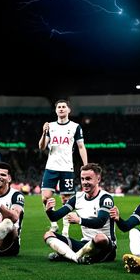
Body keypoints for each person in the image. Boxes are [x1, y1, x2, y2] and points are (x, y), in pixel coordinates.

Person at [43, 163, 117, 264]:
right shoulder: (77, 198)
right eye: (82, 179)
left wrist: (79, 220)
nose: (85, 182)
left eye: (88, 179)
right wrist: (49, 210)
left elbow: (100, 222)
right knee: (48, 235)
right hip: (84, 244)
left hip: (105, 246)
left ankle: (67, 255)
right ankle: (75, 257)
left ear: (98, 179)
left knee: (100, 237)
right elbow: (55, 217)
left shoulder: (105, 198)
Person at [39, 99, 87, 237]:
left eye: (63, 107)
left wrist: (85, 166)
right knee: (45, 197)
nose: (61, 109)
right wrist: (43, 133)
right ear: (56, 110)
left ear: (68, 110)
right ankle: (54, 223)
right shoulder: (50, 126)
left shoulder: (75, 127)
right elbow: (42, 147)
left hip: (67, 168)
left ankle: (66, 229)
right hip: (51, 167)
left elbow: (81, 146)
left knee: (66, 199)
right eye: (58, 107)